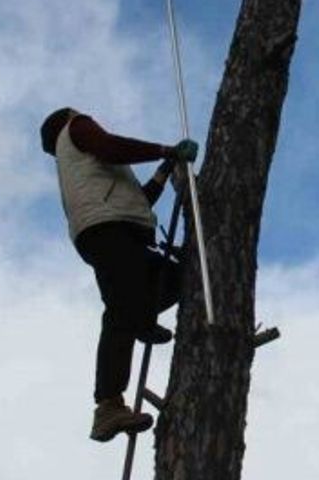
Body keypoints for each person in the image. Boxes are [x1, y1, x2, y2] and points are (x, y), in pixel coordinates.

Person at [40, 107, 198, 443]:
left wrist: (164, 169)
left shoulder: (86, 174)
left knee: (174, 278)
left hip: (112, 229)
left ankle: (140, 318)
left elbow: (138, 201)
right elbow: (111, 147)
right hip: (108, 229)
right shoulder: (76, 127)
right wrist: (164, 150)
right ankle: (109, 404)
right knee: (120, 308)